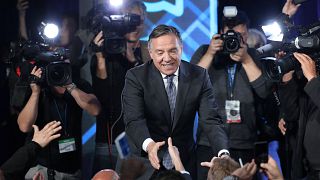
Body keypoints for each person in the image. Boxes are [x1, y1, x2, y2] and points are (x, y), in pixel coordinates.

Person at [122, 24, 229, 179]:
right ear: (150, 53)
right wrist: (149, 145)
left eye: (173, 50)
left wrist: (223, 154)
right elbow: (134, 120)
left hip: (184, 160)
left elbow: (211, 120)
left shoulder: (199, 76)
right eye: (160, 52)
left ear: (181, 48)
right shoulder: (136, 77)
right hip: (145, 162)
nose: (167, 58)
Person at [190, 9, 271, 179]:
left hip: (244, 141)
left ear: (247, 34)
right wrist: (211, 53)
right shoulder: (205, 51)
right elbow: (191, 88)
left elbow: (264, 91)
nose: (235, 39)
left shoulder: (254, 55)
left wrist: (247, 60)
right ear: (220, 34)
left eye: (240, 35)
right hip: (209, 141)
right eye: (230, 35)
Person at [90, 0, 151, 175]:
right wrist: (100, 57)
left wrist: (134, 60)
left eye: (139, 20)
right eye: (130, 19)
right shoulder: (105, 53)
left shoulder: (150, 51)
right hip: (108, 138)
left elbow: (155, 88)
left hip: (142, 139)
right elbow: (99, 97)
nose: (135, 25)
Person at [16, 64, 101, 179]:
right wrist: (36, 92)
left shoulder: (78, 84)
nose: (57, 69)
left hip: (71, 168)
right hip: (40, 168)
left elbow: (95, 110)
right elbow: (24, 126)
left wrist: (69, 85)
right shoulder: (37, 86)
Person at [278, 52, 320, 179]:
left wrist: (312, 79)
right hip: (308, 169)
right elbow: (292, 114)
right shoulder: (309, 78)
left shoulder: (313, 80)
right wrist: (287, 76)